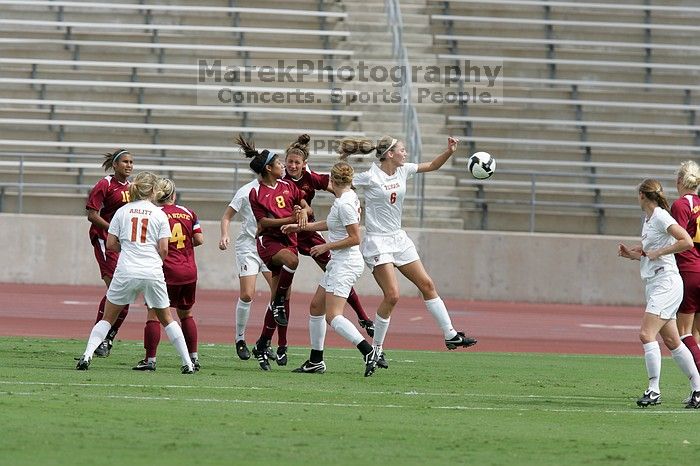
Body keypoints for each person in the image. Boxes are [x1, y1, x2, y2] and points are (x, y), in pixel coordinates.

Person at [337, 135, 477, 368]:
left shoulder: (404, 170)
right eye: (402, 149)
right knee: (392, 295)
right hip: (378, 242)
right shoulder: (370, 176)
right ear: (390, 154)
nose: (405, 153)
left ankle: (450, 334)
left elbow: (432, 166)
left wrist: (450, 151)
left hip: (398, 239)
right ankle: (376, 350)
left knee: (427, 285)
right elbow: (338, 183)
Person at [76, 172, 195, 374]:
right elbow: (164, 248)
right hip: (152, 270)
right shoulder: (159, 214)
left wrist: (129, 248)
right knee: (167, 318)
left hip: (126, 270)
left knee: (107, 318)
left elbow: (112, 244)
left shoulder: (122, 212)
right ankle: (188, 363)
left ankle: (87, 356)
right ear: (153, 190)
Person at [283, 161, 378, 376]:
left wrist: (326, 245)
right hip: (339, 262)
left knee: (333, 316)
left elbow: (355, 238)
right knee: (316, 307)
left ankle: (369, 351)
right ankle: (316, 361)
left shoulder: (344, 203)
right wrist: (299, 227)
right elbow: (332, 223)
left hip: (346, 263)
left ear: (333, 181)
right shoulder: (346, 198)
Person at [618, 178, 700, 408]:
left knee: (646, 334)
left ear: (643, 195)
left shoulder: (662, 216)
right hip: (656, 282)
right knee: (673, 341)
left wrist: (659, 251)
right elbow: (651, 254)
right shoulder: (648, 219)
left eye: (638, 194)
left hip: (666, 282)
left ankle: (653, 389)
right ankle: (698, 389)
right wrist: (633, 254)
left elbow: (686, 241)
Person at [235, 135, 312, 371]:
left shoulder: (289, 186)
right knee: (292, 261)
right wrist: (292, 218)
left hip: (289, 239)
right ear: (269, 168)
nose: (283, 167)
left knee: (283, 296)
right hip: (269, 244)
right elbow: (264, 223)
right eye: (279, 163)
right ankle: (261, 328)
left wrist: (303, 211)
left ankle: (269, 344)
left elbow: (306, 205)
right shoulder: (255, 193)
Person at [133, 178, 204, 372]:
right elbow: (199, 238)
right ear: (174, 194)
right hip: (189, 270)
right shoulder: (189, 213)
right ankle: (194, 358)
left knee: (154, 314)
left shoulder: (155, 214)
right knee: (186, 314)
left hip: (165, 271)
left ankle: (150, 359)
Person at [85, 148, 133, 357]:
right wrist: (112, 230)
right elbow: (92, 214)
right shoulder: (104, 184)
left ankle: (108, 337)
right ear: (115, 165)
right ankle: (99, 340)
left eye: (131, 162)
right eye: (125, 162)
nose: (129, 165)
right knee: (117, 288)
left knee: (124, 292)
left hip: (124, 245)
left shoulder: (133, 188)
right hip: (105, 241)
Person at [219, 178, 273, 361]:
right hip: (248, 247)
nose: (282, 167)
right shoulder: (245, 191)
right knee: (248, 294)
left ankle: (265, 341)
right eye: (278, 164)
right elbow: (227, 216)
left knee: (279, 295)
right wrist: (225, 235)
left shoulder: (282, 187)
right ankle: (240, 339)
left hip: (270, 245)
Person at [670, 161, 700, 374]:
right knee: (696, 332)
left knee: (683, 332)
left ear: (679, 180)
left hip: (689, 269)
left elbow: (679, 239)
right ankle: (695, 390)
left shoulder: (680, 205)